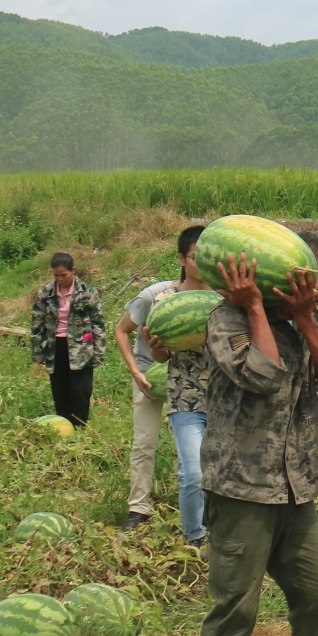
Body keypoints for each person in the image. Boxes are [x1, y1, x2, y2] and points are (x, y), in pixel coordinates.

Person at [188, 255, 318, 636]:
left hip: (297, 487)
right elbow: (262, 375)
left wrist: (305, 319)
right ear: (290, 273)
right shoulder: (226, 317)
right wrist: (257, 308)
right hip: (242, 487)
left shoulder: (310, 320)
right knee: (235, 607)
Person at [116, 226, 206, 532]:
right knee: (145, 441)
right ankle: (138, 508)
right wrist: (135, 370)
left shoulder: (221, 298)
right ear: (181, 258)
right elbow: (121, 330)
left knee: (192, 452)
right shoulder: (155, 296)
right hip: (150, 375)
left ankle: (195, 506)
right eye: (196, 257)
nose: (202, 263)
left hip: (195, 384)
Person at [28, 252, 107, 428]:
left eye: (63, 275)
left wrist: (98, 353)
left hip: (81, 348)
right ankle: (63, 426)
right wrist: (38, 354)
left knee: (80, 389)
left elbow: (98, 324)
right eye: (56, 275)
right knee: (60, 389)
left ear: (73, 271)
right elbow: (36, 325)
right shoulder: (45, 293)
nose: (60, 279)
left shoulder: (87, 292)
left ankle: (80, 427)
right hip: (55, 347)